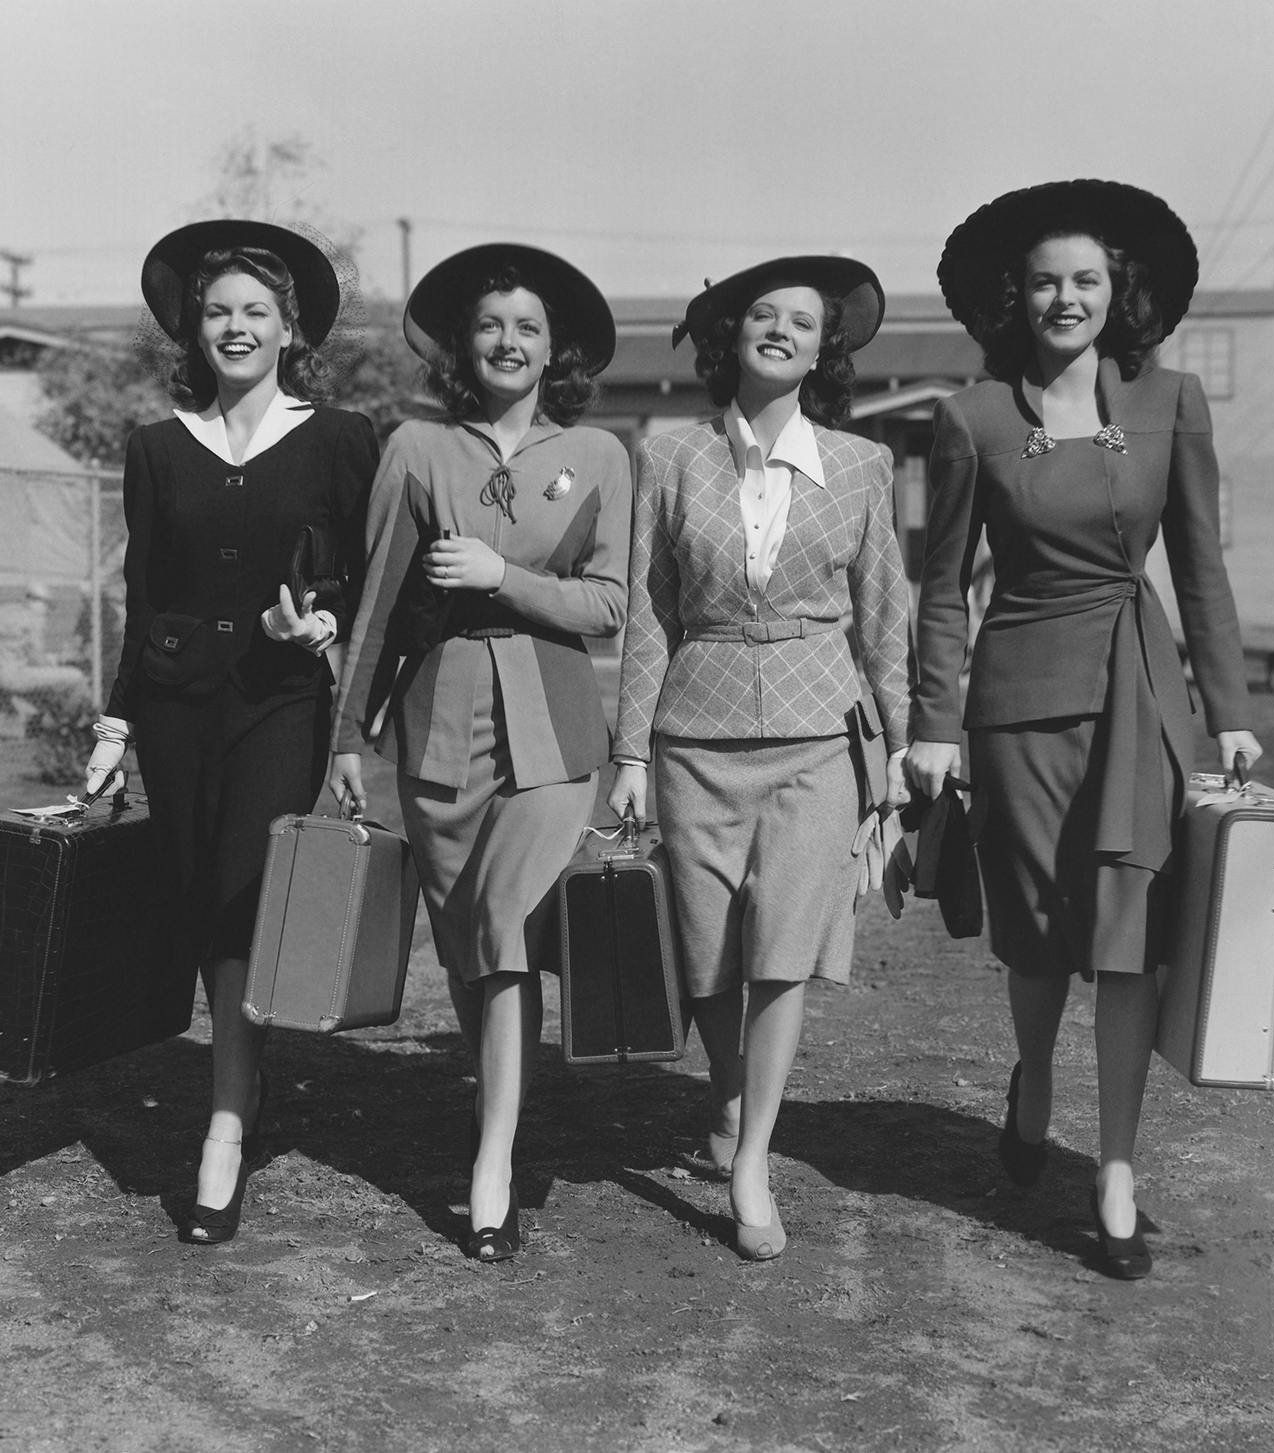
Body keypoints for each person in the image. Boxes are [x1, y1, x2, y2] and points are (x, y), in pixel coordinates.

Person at [908, 182, 1263, 1279]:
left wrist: (1231, 711)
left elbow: (1198, 568)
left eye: (1088, 281)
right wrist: (933, 724)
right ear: (1018, 295)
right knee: (1036, 935)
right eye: (1048, 281)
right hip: (1017, 708)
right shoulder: (971, 418)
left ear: (1120, 294)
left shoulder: (1172, 401)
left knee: (1129, 939)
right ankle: (1032, 1073)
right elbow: (939, 591)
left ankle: (1112, 1167)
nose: (1067, 298)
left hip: (1137, 698)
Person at [608, 256, 913, 1262]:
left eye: (802, 322)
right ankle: (728, 1093)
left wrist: (900, 751)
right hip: (693, 733)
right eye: (762, 316)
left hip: (819, 732)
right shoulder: (669, 454)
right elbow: (650, 610)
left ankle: (751, 1157)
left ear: (826, 350)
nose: (780, 330)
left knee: (784, 944)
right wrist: (629, 748)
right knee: (704, 947)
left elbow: (883, 617)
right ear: (729, 335)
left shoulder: (864, 466)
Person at [84, 219, 380, 1245]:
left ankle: (221, 1127)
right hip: (175, 704)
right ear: (192, 327)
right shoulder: (159, 446)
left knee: (251, 893)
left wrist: (327, 621)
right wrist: (117, 719)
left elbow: (360, 571)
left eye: (257, 311)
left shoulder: (341, 439)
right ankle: (247, 1080)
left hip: (278, 700)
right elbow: (142, 588)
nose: (236, 327)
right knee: (199, 896)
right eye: (218, 311)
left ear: (291, 329)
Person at [331, 244, 628, 1262]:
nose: (510, 341)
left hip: (551, 726)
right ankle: (493, 1098)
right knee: (466, 944)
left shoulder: (597, 457)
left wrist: (504, 573)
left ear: (557, 351)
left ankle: (493, 1161)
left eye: (529, 327)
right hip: (436, 726)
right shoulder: (415, 452)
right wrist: (346, 736)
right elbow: (374, 607)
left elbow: (611, 602)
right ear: (466, 344)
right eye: (493, 325)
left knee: (507, 925)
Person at [0, 582, 88, 737]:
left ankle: (5, 730)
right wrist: (58, 662)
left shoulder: (4, 611)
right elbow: (36, 659)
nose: (47, 612)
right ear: (42, 603)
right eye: (48, 606)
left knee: (6, 726)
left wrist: (53, 659)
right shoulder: (34, 618)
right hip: (9, 676)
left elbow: (12, 650)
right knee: (76, 677)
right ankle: (67, 724)